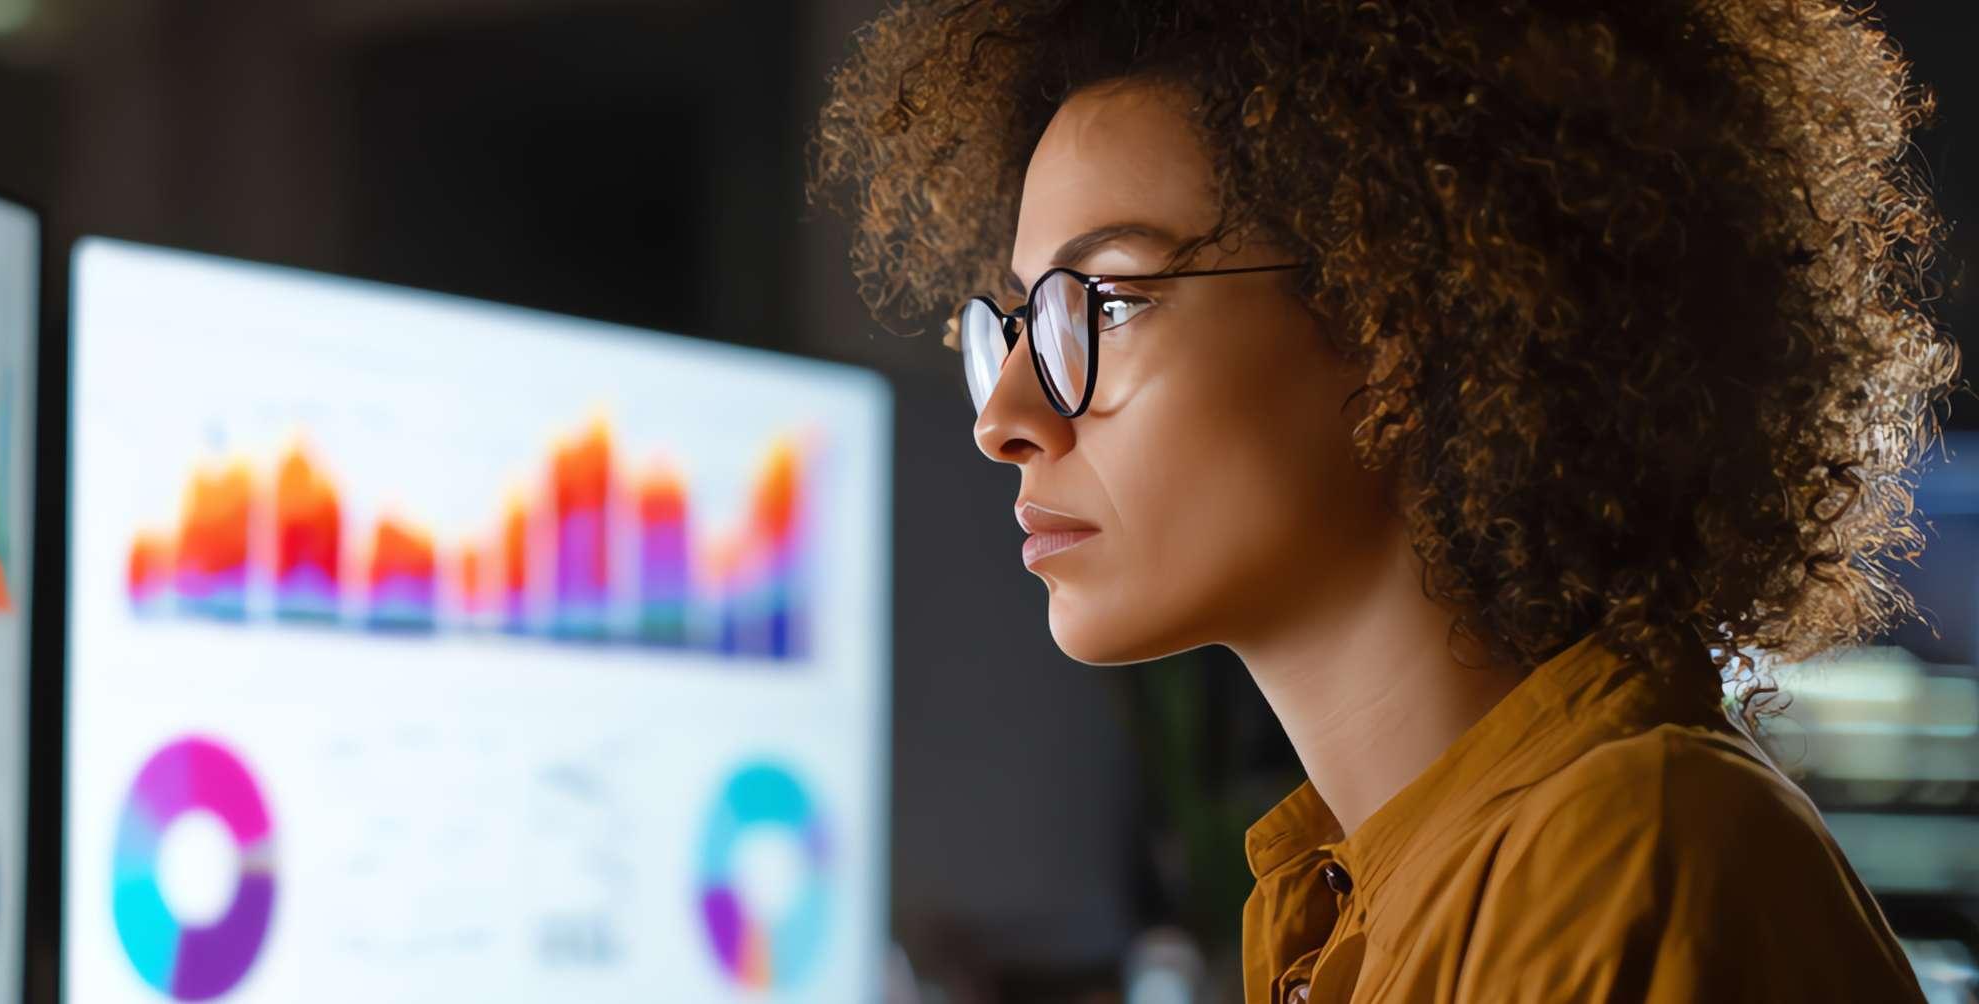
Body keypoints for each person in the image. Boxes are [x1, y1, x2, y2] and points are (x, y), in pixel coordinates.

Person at [814, 1, 1953, 1000]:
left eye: (1101, 304)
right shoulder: (1347, 899)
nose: (1004, 411)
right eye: (1015, 323)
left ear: (1401, 318)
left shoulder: (1630, 860)